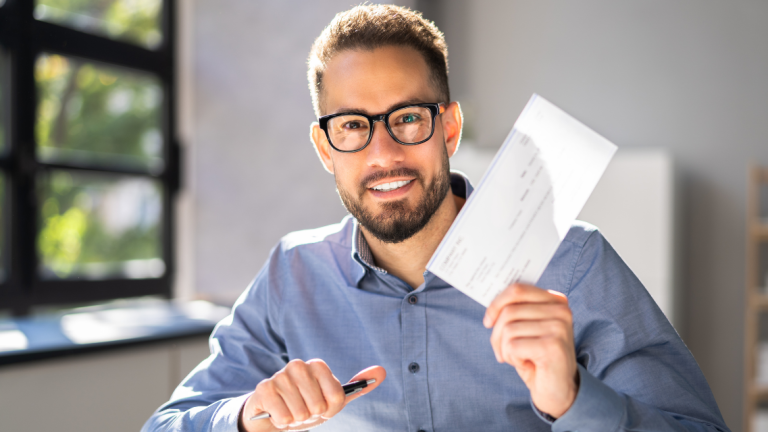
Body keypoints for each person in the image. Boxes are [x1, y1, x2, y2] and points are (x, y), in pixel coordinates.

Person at [143, 5, 729, 432]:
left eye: (408, 118)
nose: (384, 154)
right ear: (326, 149)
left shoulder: (571, 262)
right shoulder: (290, 275)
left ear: (448, 127)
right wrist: (246, 416)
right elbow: (166, 426)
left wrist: (575, 399)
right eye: (352, 125)